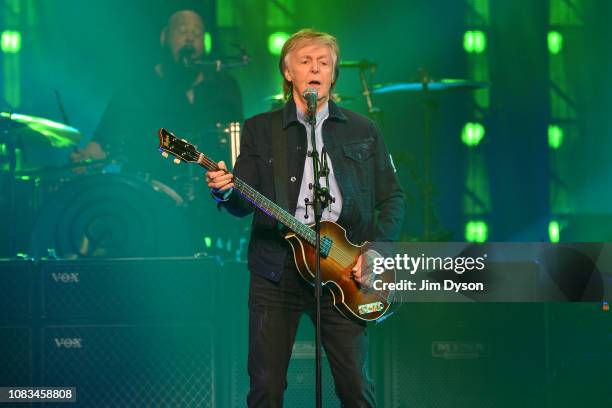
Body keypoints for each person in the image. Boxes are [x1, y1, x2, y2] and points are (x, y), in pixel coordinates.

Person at [206, 29, 405, 407]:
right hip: (276, 272)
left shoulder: (364, 130)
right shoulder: (260, 130)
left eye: (324, 62)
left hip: (344, 270)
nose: (315, 68)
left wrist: (376, 252)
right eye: (305, 61)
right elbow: (241, 202)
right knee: (266, 388)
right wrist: (225, 190)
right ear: (288, 71)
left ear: (333, 74)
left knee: (356, 388)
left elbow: (393, 196)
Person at [72, 9, 243, 182]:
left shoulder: (224, 87)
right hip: (150, 192)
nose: (190, 38)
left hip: (212, 197)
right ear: (164, 37)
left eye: (197, 34)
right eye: (182, 31)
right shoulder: (136, 87)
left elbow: (240, 146)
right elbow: (103, 142)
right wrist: (86, 158)